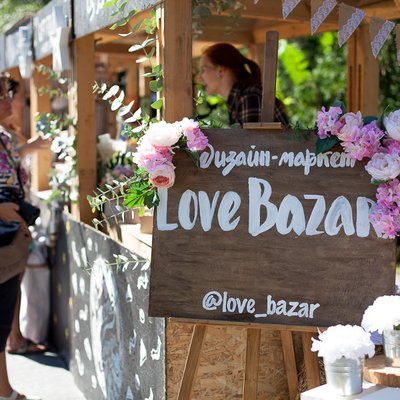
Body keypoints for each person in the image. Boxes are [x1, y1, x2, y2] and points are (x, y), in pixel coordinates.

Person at [0, 73, 31, 400]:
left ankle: (4, 389)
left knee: (4, 309)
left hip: (10, 236)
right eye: (3, 95)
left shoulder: (5, 137)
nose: (10, 99)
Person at [199, 43, 289, 127]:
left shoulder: (249, 97)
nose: (199, 78)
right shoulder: (240, 98)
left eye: (203, 70)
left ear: (220, 71)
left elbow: (251, 139)